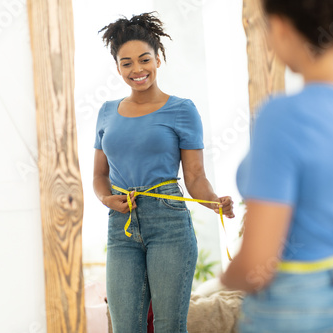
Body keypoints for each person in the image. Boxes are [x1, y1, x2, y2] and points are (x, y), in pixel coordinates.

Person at [220, 0, 333, 332]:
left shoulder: (281, 117)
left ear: (279, 25)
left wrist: (222, 279)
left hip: (288, 312)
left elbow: (257, 267)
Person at [93, 12, 235, 333]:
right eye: (126, 63)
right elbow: (99, 176)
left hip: (168, 223)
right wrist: (107, 199)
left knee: (169, 326)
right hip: (122, 227)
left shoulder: (182, 110)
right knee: (125, 327)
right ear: (117, 67)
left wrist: (213, 201)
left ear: (158, 59)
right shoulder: (106, 113)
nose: (137, 69)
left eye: (144, 59)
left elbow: (195, 177)